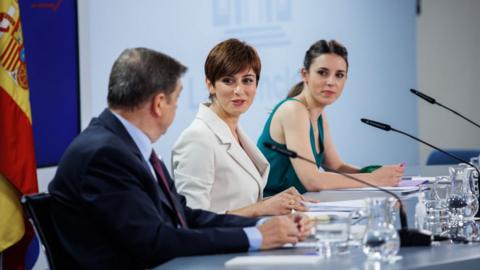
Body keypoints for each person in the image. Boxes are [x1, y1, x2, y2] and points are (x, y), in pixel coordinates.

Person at [48, 47, 312, 269]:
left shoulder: (122, 144)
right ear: (159, 104)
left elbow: (183, 214)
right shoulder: (104, 155)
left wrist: (263, 223)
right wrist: (254, 237)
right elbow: (156, 241)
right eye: (176, 99)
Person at [172, 39, 308, 217]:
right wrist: (260, 208)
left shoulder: (233, 130)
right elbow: (192, 219)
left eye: (248, 80)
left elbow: (237, 202)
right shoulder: (197, 138)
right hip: (223, 244)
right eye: (228, 81)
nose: (239, 90)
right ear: (210, 85)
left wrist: (276, 201)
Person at [257, 40, 404, 196]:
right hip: (271, 213)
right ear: (305, 75)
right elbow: (312, 181)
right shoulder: (294, 110)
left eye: (339, 75)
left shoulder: (318, 114)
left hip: (296, 209)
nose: (331, 82)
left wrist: (376, 173)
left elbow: (336, 166)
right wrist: (373, 179)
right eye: (322, 73)